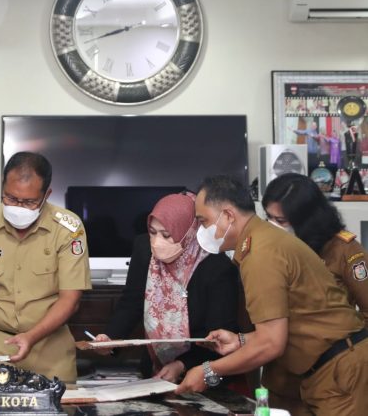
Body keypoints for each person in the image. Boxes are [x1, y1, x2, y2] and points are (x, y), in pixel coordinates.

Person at [176, 175, 368, 416]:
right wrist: (241, 340)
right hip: (319, 371)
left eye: (203, 221)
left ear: (228, 216)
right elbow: (292, 321)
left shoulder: (260, 253)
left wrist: (208, 370)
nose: (201, 231)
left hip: (339, 371)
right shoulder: (263, 241)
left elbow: (271, 343)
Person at [0, 152, 91, 382]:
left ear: (46, 195)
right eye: (11, 198)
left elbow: (70, 300)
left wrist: (31, 337)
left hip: (49, 348)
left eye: (29, 202)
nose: (18, 207)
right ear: (2, 187)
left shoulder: (68, 229)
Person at [94, 192, 240, 384]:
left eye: (166, 235)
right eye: (152, 232)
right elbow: (131, 302)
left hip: (203, 371)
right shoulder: (144, 249)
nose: (156, 242)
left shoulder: (217, 267)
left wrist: (182, 364)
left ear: (188, 232)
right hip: (155, 367)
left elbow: (220, 335)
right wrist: (110, 337)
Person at [262, 172, 368, 415]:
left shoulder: (343, 250)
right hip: (283, 381)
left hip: (334, 381)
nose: (272, 227)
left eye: (281, 220)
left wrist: (350, 360)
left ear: (307, 219)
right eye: (268, 218)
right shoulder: (267, 251)